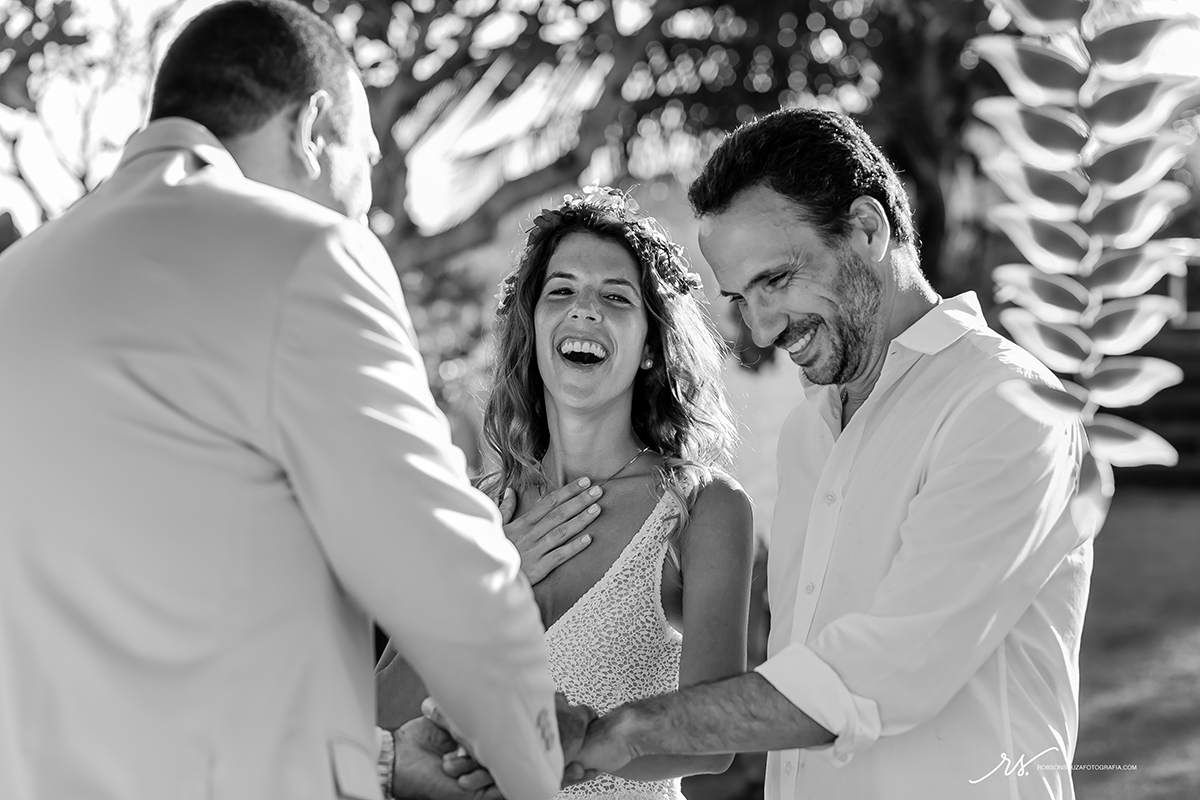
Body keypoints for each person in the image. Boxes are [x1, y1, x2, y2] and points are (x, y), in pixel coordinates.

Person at [0, 2, 588, 798]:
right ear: (312, 127)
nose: (370, 206)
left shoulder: (16, 284)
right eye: (365, 164)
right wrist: (537, 770)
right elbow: (448, 579)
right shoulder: (308, 252)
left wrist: (378, 759)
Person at [573, 108, 1093, 800]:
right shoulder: (807, 432)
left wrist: (630, 730)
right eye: (740, 298)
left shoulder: (1005, 404)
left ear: (868, 230)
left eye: (776, 281)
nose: (761, 328)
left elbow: (888, 671)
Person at [377, 185, 755, 800]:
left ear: (651, 347)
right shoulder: (470, 512)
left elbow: (713, 742)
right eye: (561, 291)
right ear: (533, 328)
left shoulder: (699, 508)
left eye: (616, 296)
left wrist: (561, 748)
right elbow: (377, 718)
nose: (585, 310)